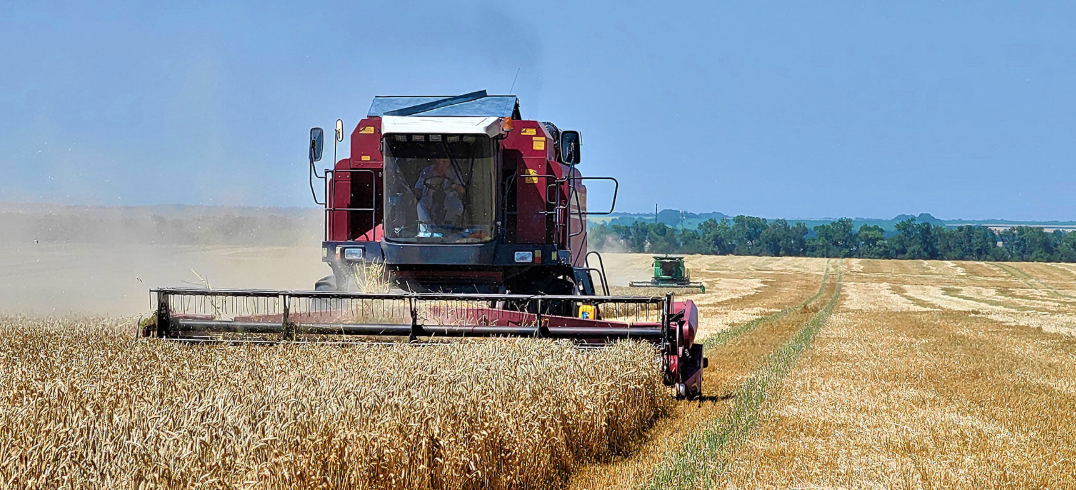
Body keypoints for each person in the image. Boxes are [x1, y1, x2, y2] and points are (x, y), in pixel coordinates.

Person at [415, 158, 465, 236]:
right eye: (443, 161)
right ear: (437, 160)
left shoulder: (453, 172)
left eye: (448, 162)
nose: (446, 164)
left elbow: (462, 189)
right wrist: (415, 198)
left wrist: (455, 186)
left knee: (458, 205)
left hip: (448, 198)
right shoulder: (427, 171)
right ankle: (426, 231)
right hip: (430, 197)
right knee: (421, 205)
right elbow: (418, 187)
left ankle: (448, 228)